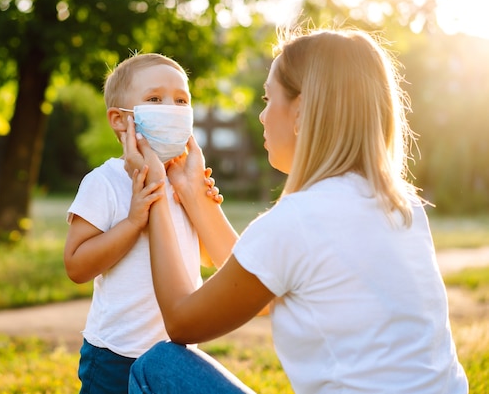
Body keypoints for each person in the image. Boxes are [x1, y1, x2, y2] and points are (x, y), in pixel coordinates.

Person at [124, 29, 469, 393]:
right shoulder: (404, 206)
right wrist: (192, 191)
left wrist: (155, 188)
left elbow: (181, 321)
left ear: (301, 111)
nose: (261, 115)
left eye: (268, 98)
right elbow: (259, 288)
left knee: (157, 365)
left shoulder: (298, 221)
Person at [63, 52, 223, 394]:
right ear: (121, 121)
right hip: (115, 356)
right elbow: (76, 265)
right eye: (155, 99)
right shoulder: (104, 182)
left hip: (176, 352)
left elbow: (211, 259)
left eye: (182, 101)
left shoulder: (185, 182)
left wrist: (202, 202)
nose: (172, 109)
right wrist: (134, 221)